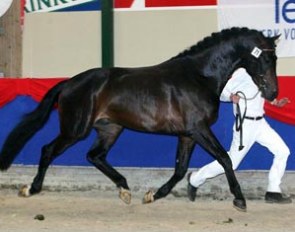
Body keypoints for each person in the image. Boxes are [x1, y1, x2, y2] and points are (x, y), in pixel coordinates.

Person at [187, 68, 292, 204]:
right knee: (233, 162)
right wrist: (230, 97)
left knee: (283, 151)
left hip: (260, 123)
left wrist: (276, 103)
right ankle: (195, 179)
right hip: (245, 124)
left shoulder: (261, 73)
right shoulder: (242, 73)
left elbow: (261, 94)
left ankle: (273, 191)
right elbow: (221, 91)